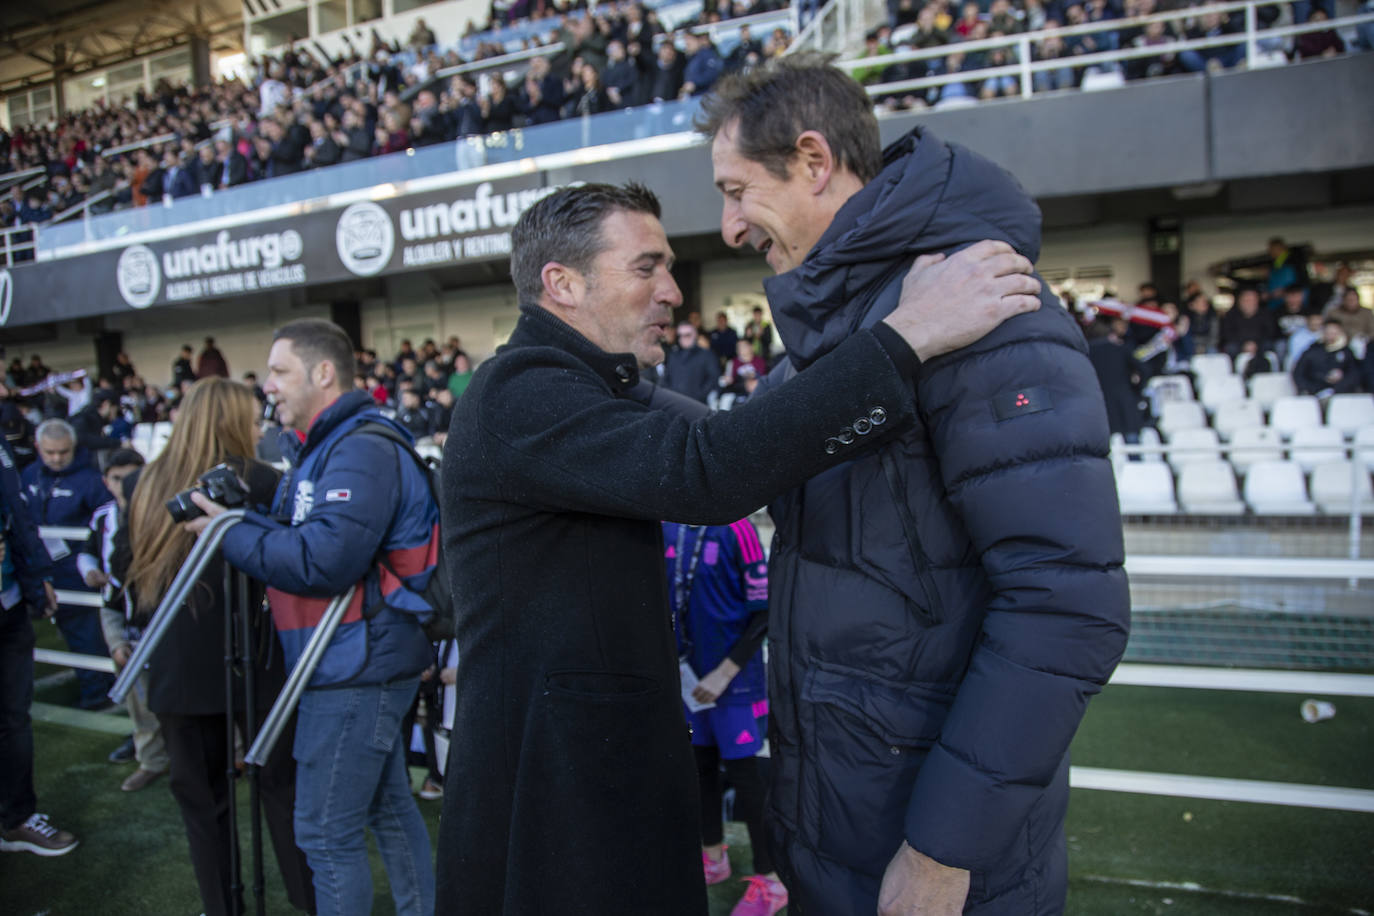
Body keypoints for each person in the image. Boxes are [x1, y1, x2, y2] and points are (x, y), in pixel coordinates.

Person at [433, 181, 1041, 915]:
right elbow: (710, 470)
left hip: (591, 782)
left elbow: (747, 436)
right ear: (561, 284)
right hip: (556, 796)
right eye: (646, 267)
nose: (672, 290)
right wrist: (910, 332)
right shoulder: (521, 392)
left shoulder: (588, 386)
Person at [697, 56, 1130, 915]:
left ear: (815, 162)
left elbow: (1068, 607)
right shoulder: (851, 329)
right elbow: (719, 462)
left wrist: (943, 850)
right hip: (839, 834)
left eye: (738, 189)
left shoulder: (993, 311)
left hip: (936, 864)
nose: (729, 226)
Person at [185, 320, 439, 916]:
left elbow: (322, 561)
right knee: (387, 810)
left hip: (355, 664)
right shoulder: (333, 445)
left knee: (325, 834)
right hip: (359, 658)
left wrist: (225, 530)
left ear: (324, 373)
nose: (265, 385)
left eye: (278, 371)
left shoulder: (358, 447)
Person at [119, 379, 315, 916]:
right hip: (254, 659)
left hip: (180, 666)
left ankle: (221, 907)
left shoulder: (142, 482)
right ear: (230, 422)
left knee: (205, 806)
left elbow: (126, 576)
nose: (259, 430)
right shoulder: (254, 479)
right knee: (284, 793)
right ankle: (310, 902)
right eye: (252, 421)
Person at [663, 519, 785, 916]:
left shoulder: (739, 529)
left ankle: (771, 881)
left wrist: (724, 673)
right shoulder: (663, 525)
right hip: (687, 683)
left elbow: (764, 611)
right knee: (700, 770)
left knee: (747, 780)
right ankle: (713, 858)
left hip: (734, 686)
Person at [0, 438, 75, 857]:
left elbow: (18, 511)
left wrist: (37, 574)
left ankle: (17, 818)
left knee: (14, 720)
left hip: (9, 601)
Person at [80, 448, 169, 792]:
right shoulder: (105, 519)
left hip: (168, 624)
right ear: (106, 481)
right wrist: (89, 571)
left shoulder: (167, 515)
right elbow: (90, 559)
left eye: (133, 477)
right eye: (118, 479)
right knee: (139, 701)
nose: (125, 485)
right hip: (125, 617)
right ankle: (151, 760)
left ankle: (229, 753)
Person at [21, 419, 116, 710]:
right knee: (66, 632)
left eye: (63, 451)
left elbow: (106, 523)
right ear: (38, 448)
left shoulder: (90, 480)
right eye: (50, 452)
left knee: (87, 632)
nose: (57, 458)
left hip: (78, 573)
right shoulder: (29, 475)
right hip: (41, 570)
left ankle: (98, 692)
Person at [663, 321, 722, 403]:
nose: (683, 338)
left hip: (698, 403)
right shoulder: (673, 355)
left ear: (695, 335)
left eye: (687, 335)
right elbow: (666, 378)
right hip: (675, 402)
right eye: (680, 335)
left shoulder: (707, 354)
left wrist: (700, 395)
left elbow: (713, 378)